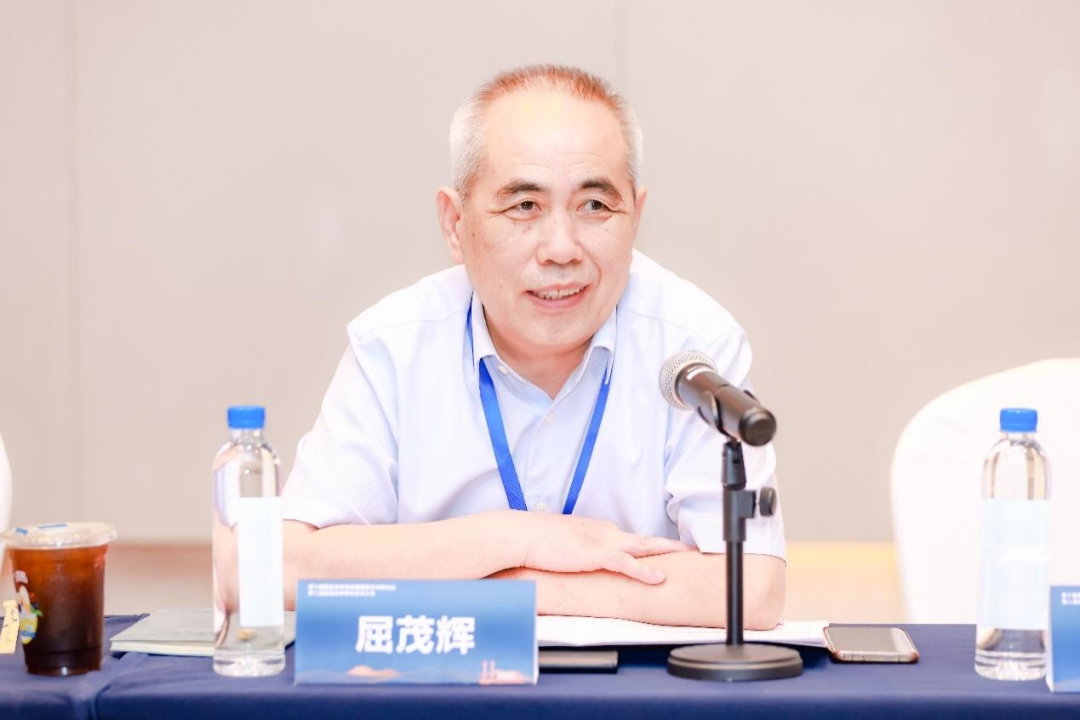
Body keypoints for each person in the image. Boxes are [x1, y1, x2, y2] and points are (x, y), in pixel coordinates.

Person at [282, 65, 786, 629]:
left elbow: (750, 588)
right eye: (524, 206)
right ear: (454, 224)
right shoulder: (394, 347)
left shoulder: (693, 347)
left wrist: (517, 583)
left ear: (636, 218)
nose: (561, 248)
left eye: (595, 206)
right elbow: (282, 565)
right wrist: (517, 538)